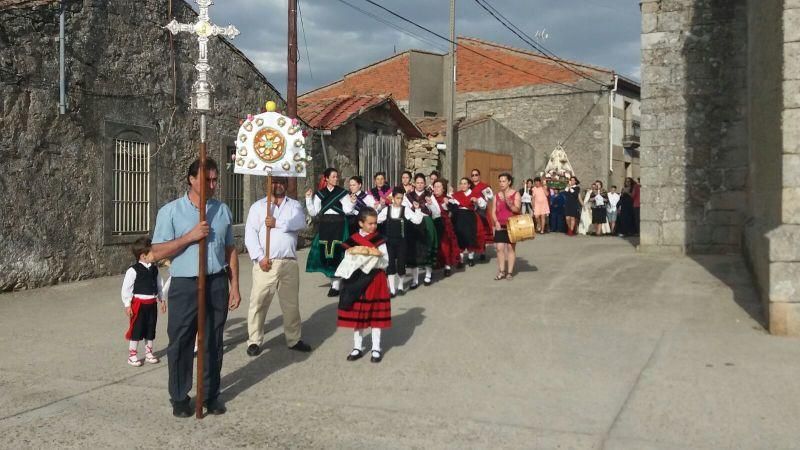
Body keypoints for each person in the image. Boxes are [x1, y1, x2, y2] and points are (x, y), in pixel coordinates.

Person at [150, 157, 241, 418]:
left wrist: (234, 284)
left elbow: (229, 249)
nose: (212, 185)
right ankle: (179, 396)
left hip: (215, 282)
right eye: (206, 180)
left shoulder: (221, 210)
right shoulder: (170, 212)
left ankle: (210, 394)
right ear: (191, 179)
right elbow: (156, 252)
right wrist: (190, 237)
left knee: (213, 340)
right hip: (185, 283)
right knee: (180, 341)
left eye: (215, 180)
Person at [244, 177, 311, 357]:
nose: (278, 185)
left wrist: (277, 223)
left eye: (282, 181)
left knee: (290, 304)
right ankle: (254, 340)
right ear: (268, 183)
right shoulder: (258, 207)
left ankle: (293, 338)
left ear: (286, 184)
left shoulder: (294, 205)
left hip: (288, 262)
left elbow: (300, 223)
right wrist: (259, 257)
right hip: (266, 263)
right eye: (274, 182)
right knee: (258, 302)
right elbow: (250, 235)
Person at [334, 208, 391, 363]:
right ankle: (357, 347)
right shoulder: (352, 240)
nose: (374, 226)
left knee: (375, 315)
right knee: (358, 313)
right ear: (361, 223)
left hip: (375, 279)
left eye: (375, 223)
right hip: (356, 279)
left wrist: (372, 259)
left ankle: (376, 348)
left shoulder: (380, 240)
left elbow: (386, 261)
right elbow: (347, 259)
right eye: (370, 223)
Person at [305, 168, 353, 297]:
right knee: (326, 253)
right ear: (326, 178)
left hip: (339, 225)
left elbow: (348, 210)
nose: (336, 178)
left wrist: (352, 203)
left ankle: (337, 284)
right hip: (325, 225)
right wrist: (308, 199)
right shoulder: (320, 194)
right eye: (333, 176)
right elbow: (314, 213)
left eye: (337, 176)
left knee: (338, 252)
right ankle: (333, 281)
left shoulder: (343, 193)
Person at [120, 237, 166, 367]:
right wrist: (127, 305)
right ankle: (132, 355)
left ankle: (148, 353)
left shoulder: (154, 269)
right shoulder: (133, 270)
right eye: (151, 252)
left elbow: (159, 285)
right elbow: (126, 289)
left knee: (151, 328)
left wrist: (162, 299)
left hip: (152, 304)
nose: (154, 255)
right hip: (138, 305)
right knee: (137, 329)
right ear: (143, 256)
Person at [377, 187, 422, 296]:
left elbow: (417, 221)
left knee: (401, 264)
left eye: (401, 198)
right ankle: (392, 289)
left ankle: (400, 286)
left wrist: (418, 209)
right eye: (397, 198)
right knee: (390, 264)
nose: (400, 200)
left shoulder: (405, 209)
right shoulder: (386, 210)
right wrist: (379, 207)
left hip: (402, 241)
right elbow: (377, 220)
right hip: (389, 242)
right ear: (393, 198)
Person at [404, 173, 441, 287]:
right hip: (413, 223)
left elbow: (437, 213)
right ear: (414, 183)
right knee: (414, 250)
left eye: (422, 183)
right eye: (418, 182)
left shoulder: (429, 195)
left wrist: (430, 205)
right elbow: (405, 210)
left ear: (425, 184)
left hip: (426, 222)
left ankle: (428, 275)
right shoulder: (408, 196)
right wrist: (412, 208)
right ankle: (415, 279)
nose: (420, 185)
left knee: (427, 248)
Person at [448, 177, 486, 267]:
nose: (463, 185)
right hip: (458, 217)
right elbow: (451, 204)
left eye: (465, 183)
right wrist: (449, 195)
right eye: (461, 183)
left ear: (469, 185)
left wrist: (477, 201)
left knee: (470, 237)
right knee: (459, 237)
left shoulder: (475, 194)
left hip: (470, 217)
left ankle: (470, 258)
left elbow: (483, 206)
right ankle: (460, 260)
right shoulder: (456, 195)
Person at [490, 173, 521, 280]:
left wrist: (510, 204)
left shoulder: (515, 194)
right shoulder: (496, 196)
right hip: (500, 225)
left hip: (512, 226)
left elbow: (517, 209)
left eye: (504, 181)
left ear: (509, 182)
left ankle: (509, 272)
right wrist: (496, 222)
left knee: (510, 248)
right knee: (499, 248)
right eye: (500, 181)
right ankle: (502, 271)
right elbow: (493, 211)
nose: (501, 183)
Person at [431, 179, 460, 277]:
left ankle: (447, 266)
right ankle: (434, 264)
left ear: (443, 189)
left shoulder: (448, 198)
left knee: (445, 246)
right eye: (435, 186)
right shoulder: (430, 198)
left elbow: (455, 209)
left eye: (438, 187)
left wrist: (448, 204)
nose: (436, 189)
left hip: (445, 225)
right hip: (433, 224)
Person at [468, 169, 494, 260]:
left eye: (476, 174)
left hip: (481, 212)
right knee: (471, 233)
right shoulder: (468, 186)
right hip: (471, 212)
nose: (474, 176)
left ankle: (482, 251)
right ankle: (471, 253)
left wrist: (482, 199)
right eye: (473, 175)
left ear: (479, 176)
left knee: (482, 232)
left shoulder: (484, 186)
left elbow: (490, 197)